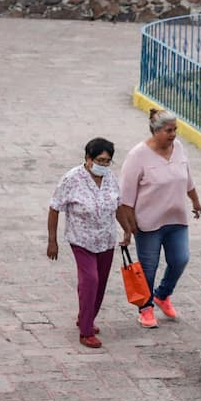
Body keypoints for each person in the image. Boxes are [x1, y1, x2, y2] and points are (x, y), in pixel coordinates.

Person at [118, 108, 201, 328]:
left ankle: (162, 294)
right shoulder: (138, 156)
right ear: (155, 131)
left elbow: (187, 178)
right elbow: (126, 196)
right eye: (168, 130)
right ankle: (145, 308)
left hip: (176, 218)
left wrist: (195, 200)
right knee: (149, 266)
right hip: (148, 223)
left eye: (175, 129)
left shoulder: (179, 149)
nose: (173, 134)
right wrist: (128, 227)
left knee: (180, 259)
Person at [47, 138, 129, 349]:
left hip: (106, 238)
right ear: (88, 159)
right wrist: (52, 241)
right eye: (99, 160)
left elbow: (117, 205)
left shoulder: (110, 178)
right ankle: (85, 331)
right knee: (90, 280)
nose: (103, 165)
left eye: (107, 161)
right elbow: (55, 208)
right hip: (81, 239)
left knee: (100, 283)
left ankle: (87, 316)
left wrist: (127, 229)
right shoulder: (71, 179)